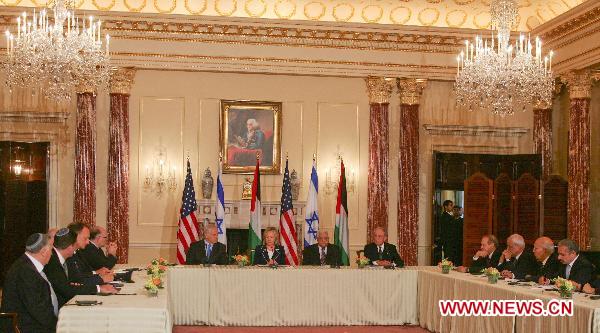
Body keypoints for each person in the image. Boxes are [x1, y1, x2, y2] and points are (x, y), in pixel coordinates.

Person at [44, 228, 117, 308]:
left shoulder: (58, 258)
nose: (76, 249)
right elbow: (67, 289)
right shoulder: (52, 262)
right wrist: (98, 288)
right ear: (69, 246)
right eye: (75, 246)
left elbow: (74, 282)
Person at [0, 233, 58, 333]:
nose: (52, 254)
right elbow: (38, 310)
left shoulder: (27, 265)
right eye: (51, 250)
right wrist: (58, 326)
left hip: (31, 323)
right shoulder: (26, 271)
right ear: (43, 252)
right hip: (24, 327)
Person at [439, 200, 462, 265]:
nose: (452, 207)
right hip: (449, 242)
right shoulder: (445, 217)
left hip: (453, 243)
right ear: (446, 207)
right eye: (451, 205)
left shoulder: (451, 217)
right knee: (449, 259)